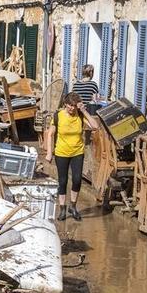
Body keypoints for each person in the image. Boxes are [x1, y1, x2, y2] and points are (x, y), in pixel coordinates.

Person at [44, 92, 100, 221]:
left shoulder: (80, 115)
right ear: (65, 104)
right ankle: (63, 208)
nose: (72, 108)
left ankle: (73, 206)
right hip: (61, 152)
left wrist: (84, 111)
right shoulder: (58, 116)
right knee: (62, 181)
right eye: (70, 105)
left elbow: (95, 126)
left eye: (74, 106)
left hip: (77, 152)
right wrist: (48, 152)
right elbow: (50, 134)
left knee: (77, 180)